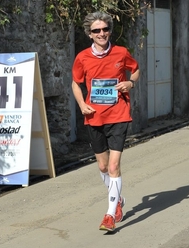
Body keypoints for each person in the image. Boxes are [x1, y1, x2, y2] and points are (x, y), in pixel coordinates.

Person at [71, 11, 140, 232]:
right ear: (89, 34)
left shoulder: (121, 53)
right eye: (96, 31)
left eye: (105, 29)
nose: (102, 33)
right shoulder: (82, 57)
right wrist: (82, 105)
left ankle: (110, 214)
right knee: (102, 165)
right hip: (94, 116)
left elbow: (135, 70)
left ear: (109, 30)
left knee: (113, 165)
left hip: (119, 114)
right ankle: (117, 199)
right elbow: (75, 83)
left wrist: (130, 83)